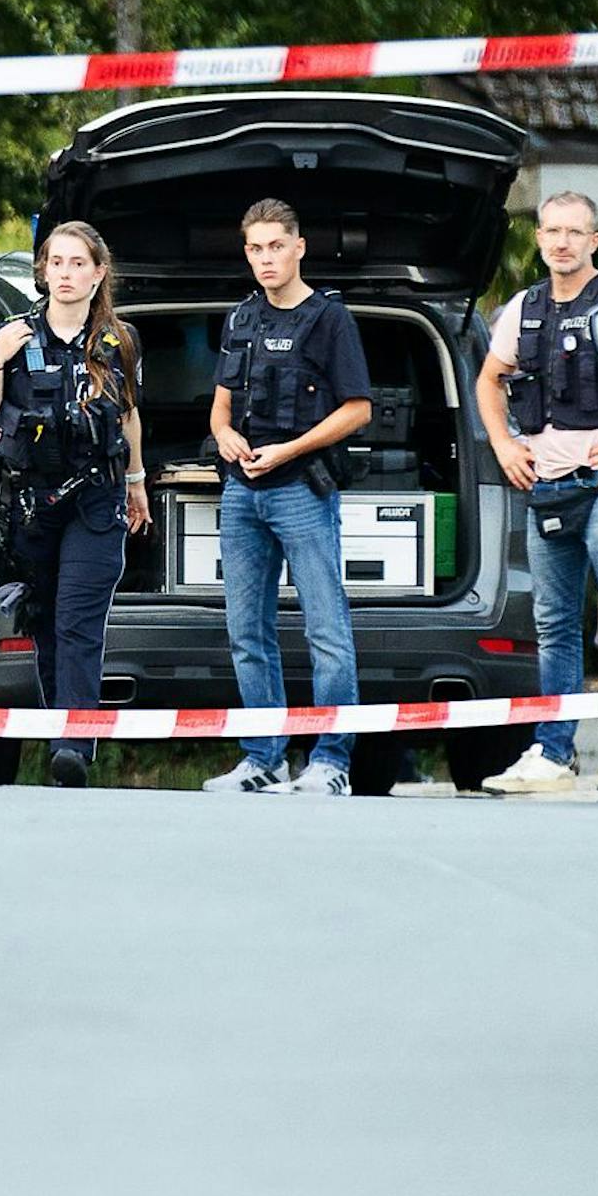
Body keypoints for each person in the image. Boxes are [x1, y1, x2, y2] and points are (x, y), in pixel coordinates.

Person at [475, 190, 598, 793]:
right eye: (551, 231)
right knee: (554, 624)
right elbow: (490, 381)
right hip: (548, 486)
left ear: (596, 238)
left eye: (574, 232)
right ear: (538, 239)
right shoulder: (522, 309)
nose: (561, 242)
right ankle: (553, 754)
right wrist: (506, 445)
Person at [0, 220, 149, 788]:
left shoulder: (118, 341)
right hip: (32, 503)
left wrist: (138, 482)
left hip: (97, 498)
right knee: (44, 619)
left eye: (78, 263)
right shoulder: (15, 336)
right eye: (56, 262)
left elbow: (128, 417)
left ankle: (74, 743)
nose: (66, 274)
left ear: (99, 274)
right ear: (42, 271)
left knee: (78, 618)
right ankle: (62, 729)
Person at [204, 198, 373, 796]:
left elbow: (359, 409)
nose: (266, 258)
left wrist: (292, 448)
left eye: (276, 246)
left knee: (326, 631)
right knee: (246, 631)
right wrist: (225, 437)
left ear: (299, 246)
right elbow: (221, 405)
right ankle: (264, 759)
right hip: (241, 494)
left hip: (301, 489)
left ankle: (331, 762)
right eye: (255, 248)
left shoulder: (329, 319)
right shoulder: (241, 318)